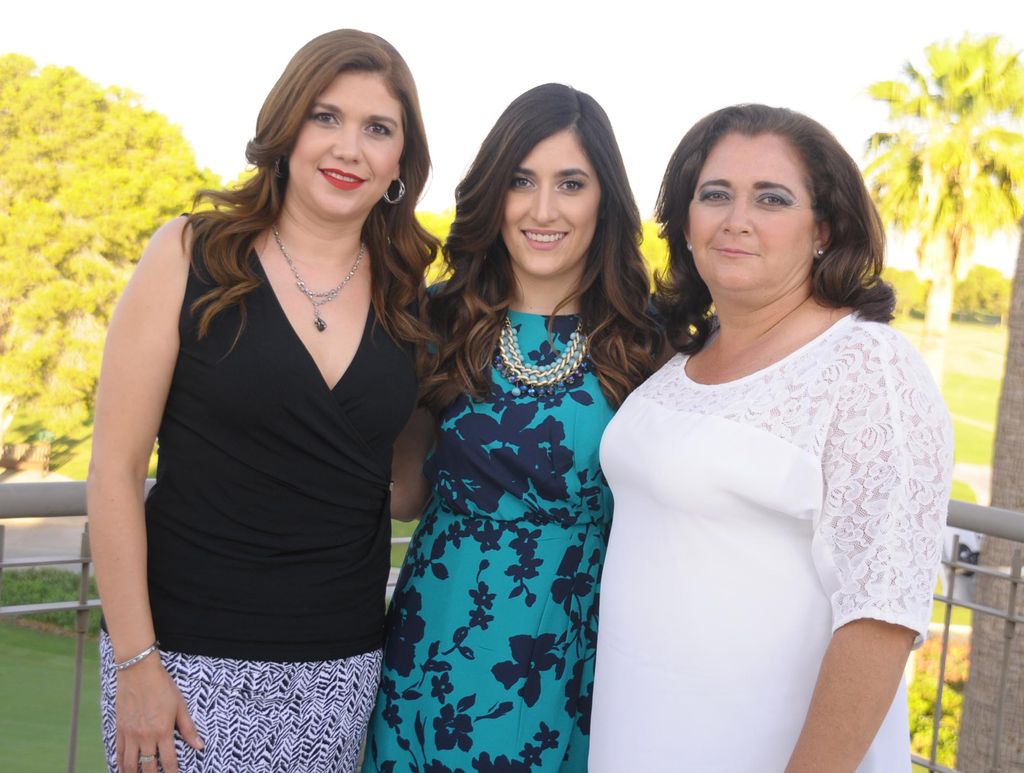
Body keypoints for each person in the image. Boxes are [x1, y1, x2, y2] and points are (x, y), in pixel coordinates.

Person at [87, 29, 436, 773]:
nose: (349, 148)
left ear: (400, 162)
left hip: (338, 669)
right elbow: (114, 469)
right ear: (287, 127)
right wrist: (136, 662)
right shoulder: (191, 253)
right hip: (178, 665)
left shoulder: (410, 300)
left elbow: (404, 486)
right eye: (326, 116)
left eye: (378, 129)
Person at [588, 104, 954, 772]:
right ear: (686, 223)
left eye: (772, 198)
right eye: (714, 194)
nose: (737, 219)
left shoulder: (868, 366)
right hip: (639, 733)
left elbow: (882, 616)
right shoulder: (680, 360)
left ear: (824, 229)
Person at [363, 83, 661, 772]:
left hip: (584, 653)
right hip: (439, 638)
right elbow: (403, 494)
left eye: (571, 184)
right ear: (493, 192)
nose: (542, 209)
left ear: (605, 199)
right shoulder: (437, 320)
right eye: (521, 181)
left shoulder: (651, 342)